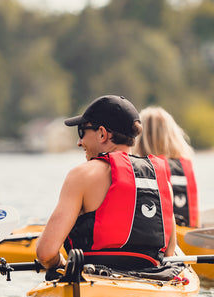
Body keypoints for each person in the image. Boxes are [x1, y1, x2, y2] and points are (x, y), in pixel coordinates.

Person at [36, 95, 177, 272]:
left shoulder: (82, 175)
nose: (79, 142)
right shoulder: (161, 182)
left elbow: (45, 253)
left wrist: (62, 266)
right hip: (151, 283)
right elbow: (169, 255)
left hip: (91, 282)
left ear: (102, 133)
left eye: (82, 132)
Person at [133, 105, 199, 228]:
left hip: (162, 235)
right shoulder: (185, 165)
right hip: (189, 230)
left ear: (141, 138)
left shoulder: (145, 168)